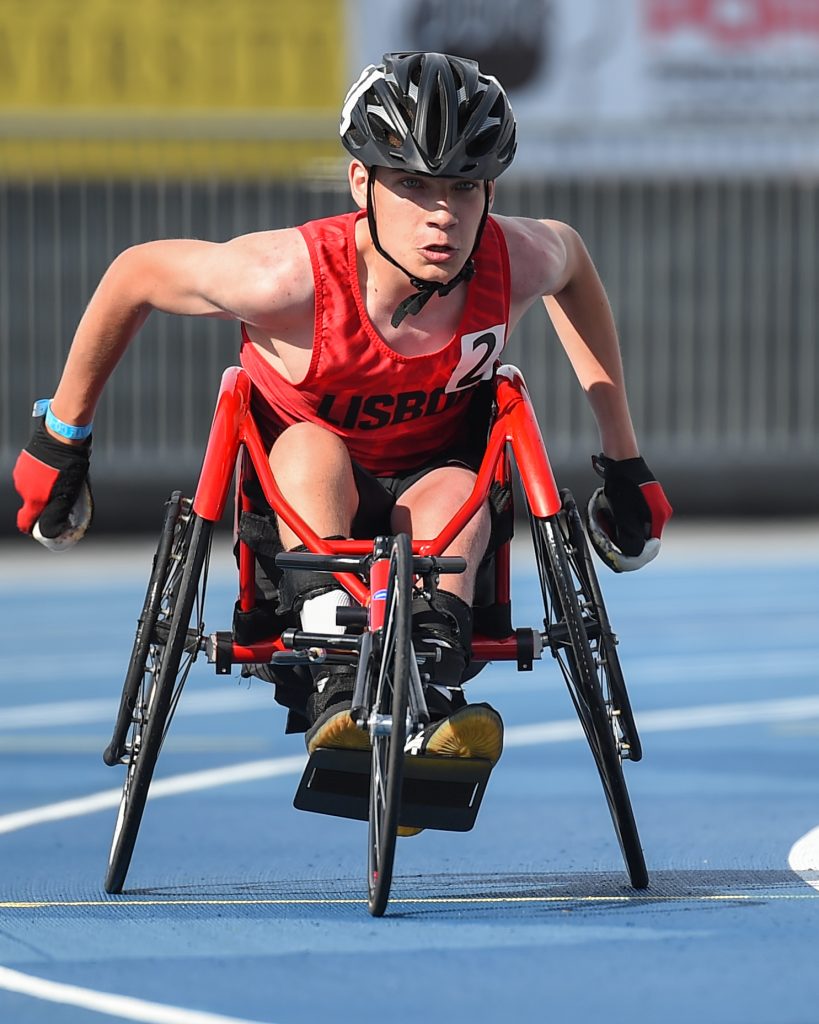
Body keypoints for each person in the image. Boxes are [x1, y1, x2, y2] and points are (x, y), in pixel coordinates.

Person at [13, 52, 671, 777]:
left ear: (489, 190)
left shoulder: (514, 257)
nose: (442, 214)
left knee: (459, 492)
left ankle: (433, 684)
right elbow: (134, 273)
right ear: (362, 181)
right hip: (298, 506)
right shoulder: (285, 279)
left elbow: (572, 261)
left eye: (463, 188)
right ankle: (333, 679)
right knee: (311, 448)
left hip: (429, 490)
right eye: (413, 186)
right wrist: (61, 438)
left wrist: (623, 460)